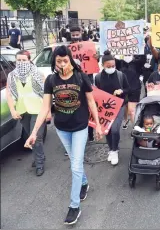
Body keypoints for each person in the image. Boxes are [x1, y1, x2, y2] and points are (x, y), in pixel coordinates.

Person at [24, 45, 103, 225]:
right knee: (75, 161)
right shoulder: (51, 80)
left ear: (70, 60)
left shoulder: (81, 77)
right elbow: (45, 107)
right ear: (54, 62)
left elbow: (91, 102)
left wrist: (98, 124)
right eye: (58, 61)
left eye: (65, 60)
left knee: (75, 165)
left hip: (81, 127)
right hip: (61, 128)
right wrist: (34, 132)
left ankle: (74, 206)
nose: (62, 64)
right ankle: (84, 183)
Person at [6, 50, 50, 176]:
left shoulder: (38, 74)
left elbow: (46, 94)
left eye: (24, 60)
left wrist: (48, 111)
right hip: (23, 111)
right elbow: (9, 94)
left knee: (36, 138)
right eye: (18, 60)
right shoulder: (11, 76)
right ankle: (38, 156)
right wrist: (13, 110)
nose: (21, 62)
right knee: (29, 136)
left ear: (29, 60)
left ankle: (39, 163)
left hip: (38, 111)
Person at [95, 52, 130, 165]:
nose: (111, 68)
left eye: (113, 66)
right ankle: (111, 149)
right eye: (108, 66)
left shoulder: (121, 75)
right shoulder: (98, 77)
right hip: (105, 108)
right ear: (103, 65)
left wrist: (122, 91)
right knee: (107, 130)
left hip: (119, 105)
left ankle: (115, 150)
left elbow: (129, 88)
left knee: (115, 129)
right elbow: (98, 93)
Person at [114, 52, 146, 130]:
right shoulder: (119, 62)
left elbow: (143, 58)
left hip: (134, 88)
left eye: (128, 54)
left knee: (132, 111)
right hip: (122, 89)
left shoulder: (137, 63)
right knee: (125, 107)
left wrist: (141, 48)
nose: (127, 55)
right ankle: (125, 119)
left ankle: (135, 129)